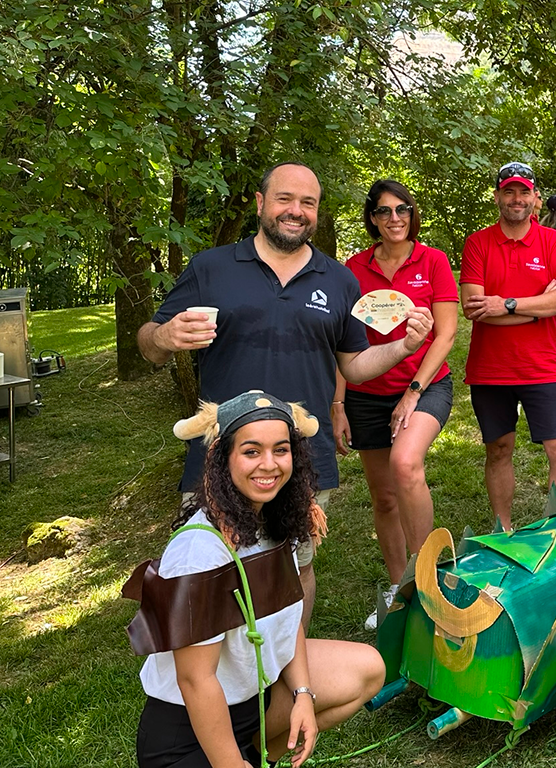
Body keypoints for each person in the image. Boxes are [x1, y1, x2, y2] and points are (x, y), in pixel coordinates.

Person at [137, 162, 434, 628]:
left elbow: (354, 365)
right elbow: (149, 345)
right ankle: (215, 669)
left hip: (302, 455)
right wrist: (163, 336)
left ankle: (288, 667)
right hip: (220, 453)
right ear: (260, 203)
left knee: (296, 568)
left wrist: (403, 347)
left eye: (308, 203)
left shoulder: (338, 279)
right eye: (284, 199)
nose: (296, 211)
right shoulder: (211, 267)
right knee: (208, 573)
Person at [132, 391, 384, 768]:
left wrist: (303, 694)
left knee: (367, 669)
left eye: (280, 450)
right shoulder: (200, 549)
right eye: (251, 451)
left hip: (255, 702)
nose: (269, 464)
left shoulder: (274, 521)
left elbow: (288, 621)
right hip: (188, 733)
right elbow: (196, 680)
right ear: (222, 457)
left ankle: (256, 754)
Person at [331, 180, 458, 631]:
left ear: (412, 213)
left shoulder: (434, 261)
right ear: (372, 218)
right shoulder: (353, 269)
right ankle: (398, 588)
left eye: (402, 209)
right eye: (384, 211)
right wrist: (338, 403)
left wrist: (413, 391)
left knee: (406, 464)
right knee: (384, 498)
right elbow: (342, 345)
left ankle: (428, 584)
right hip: (366, 394)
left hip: (425, 385)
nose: (394, 218)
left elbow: (446, 334)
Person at [461, 162, 556, 530]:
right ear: (497, 196)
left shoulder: (553, 241)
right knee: (499, 450)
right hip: (491, 368)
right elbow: (474, 308)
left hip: (544, 365)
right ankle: (504, 531)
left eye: (524, 192)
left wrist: (508, 304)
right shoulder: (478, 243)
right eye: (509, 191)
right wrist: (538, 309)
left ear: (535, 198)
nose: (517, 199)